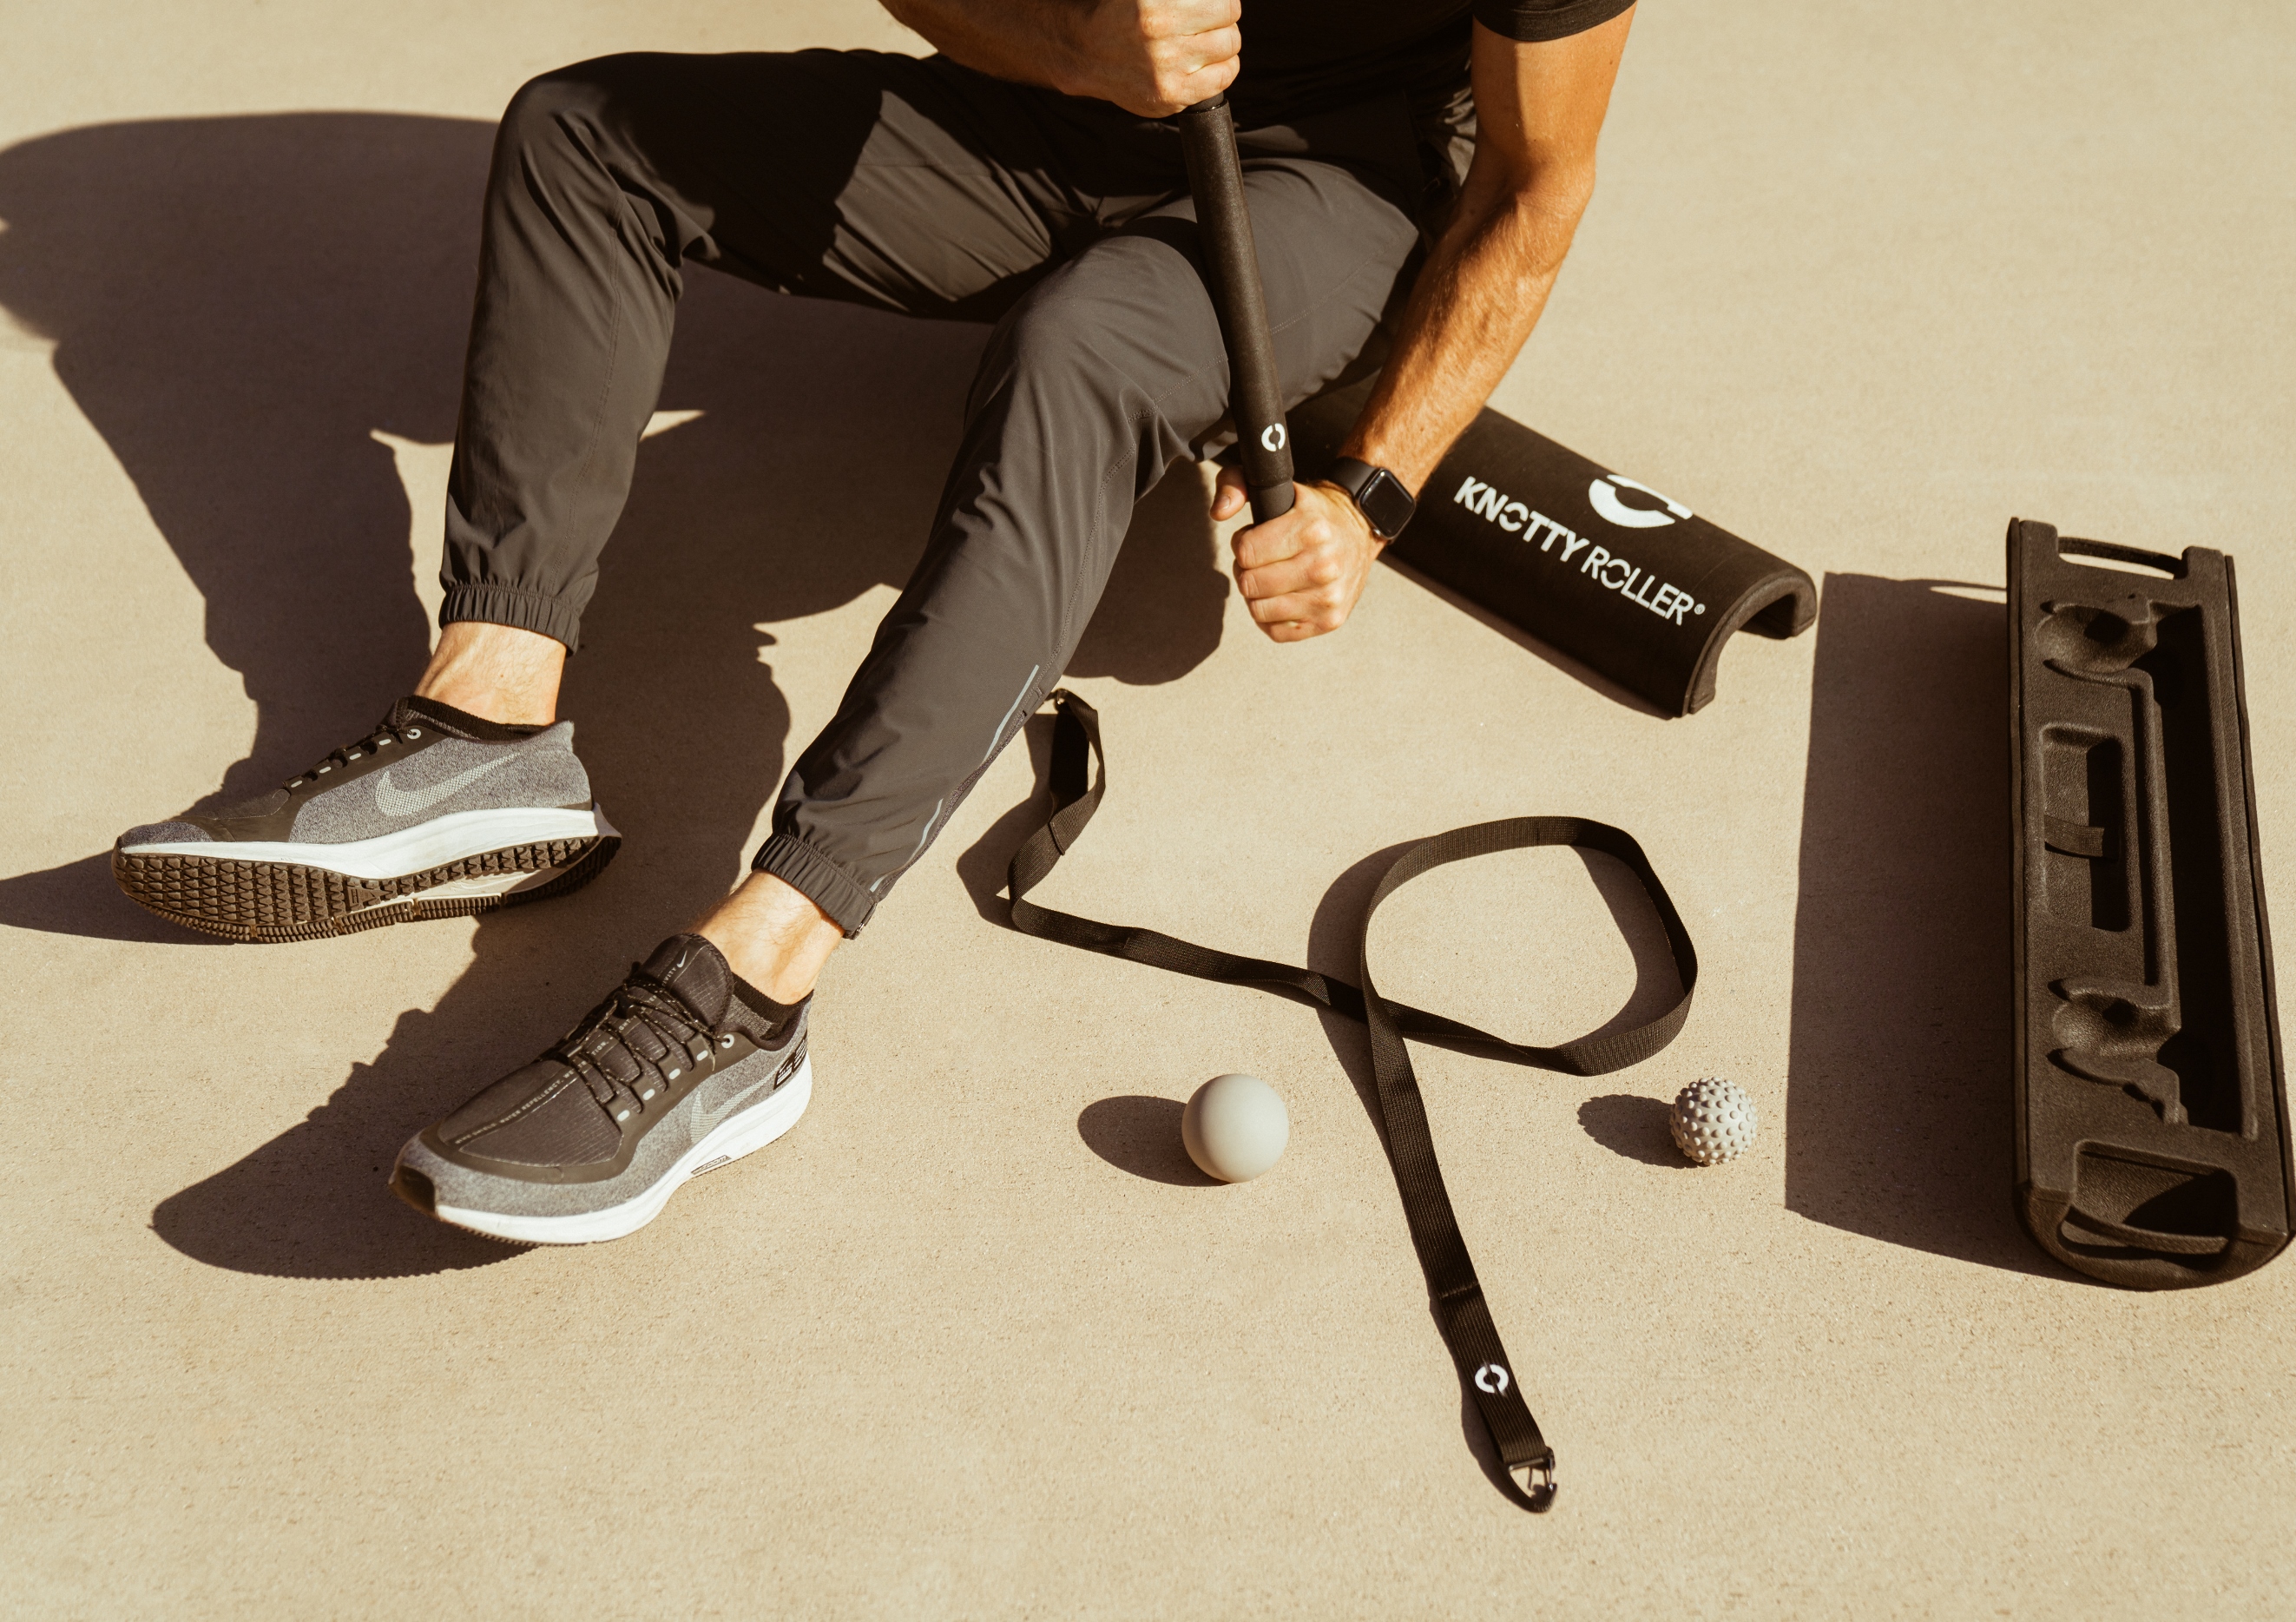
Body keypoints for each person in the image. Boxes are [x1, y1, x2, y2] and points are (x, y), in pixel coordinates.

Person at [111, 0, 1638, 1244]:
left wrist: (1372, 489)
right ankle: (486, 731)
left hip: (1334, 176)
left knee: (1083, 349)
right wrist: (1073, 45)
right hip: (1069, 104)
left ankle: (751, 990)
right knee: (585, 138)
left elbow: (1537, 181)